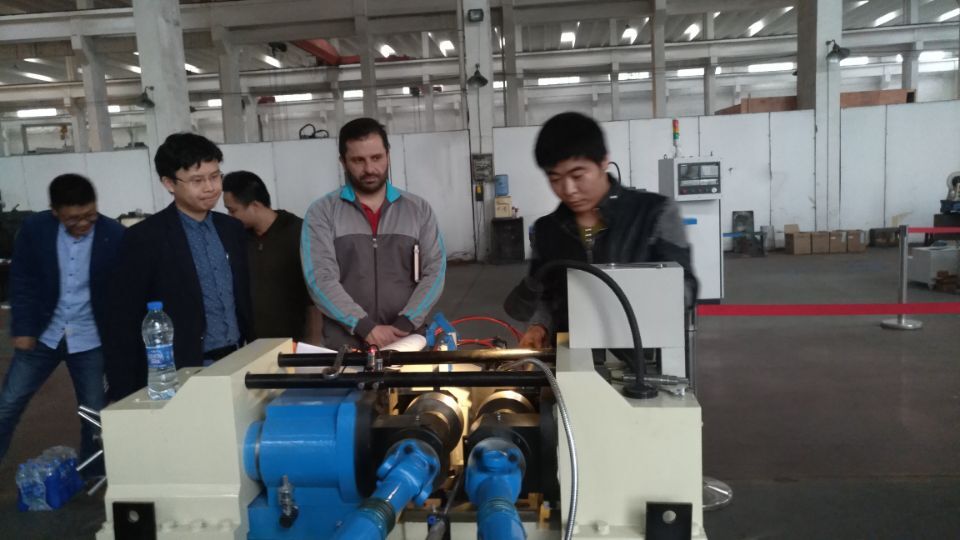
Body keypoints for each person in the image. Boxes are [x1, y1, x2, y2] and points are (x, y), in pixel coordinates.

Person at [507, 112, 697, 349]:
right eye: (555, 178)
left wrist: (643, 297)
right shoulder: (547, 230)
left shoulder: (655, 214)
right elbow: (545, 294)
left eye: (578, 175)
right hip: (572, 356)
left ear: (604, 162)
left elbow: (686, 289)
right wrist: (539, 326)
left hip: (643, 354)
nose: (568, 189)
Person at [104, 132, 252, 401]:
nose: (210, 187)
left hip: (235, 359)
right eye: (197, 180)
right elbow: (123, 319)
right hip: (180, 369)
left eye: (215, 176)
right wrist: (123, 390)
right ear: (169, 183)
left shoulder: (231, 229)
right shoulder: (145, 238)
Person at [1, 174, 124, 470]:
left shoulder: (114, 235)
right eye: (73, 219)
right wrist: (24, 327)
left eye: (90, 215)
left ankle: (92, 473)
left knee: (94, 414)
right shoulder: (35, 230)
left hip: (90, 339)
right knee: (8, 404)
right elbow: (23, 280)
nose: (83, 224)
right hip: (43, 335)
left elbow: (123, 292)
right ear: (55, 211)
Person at [301, 117, 446, 349]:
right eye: (358, 160)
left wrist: (407, 321)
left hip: (406, 340)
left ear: (388, 155)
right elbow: (320, 279)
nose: (369, 169)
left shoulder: (418, 210)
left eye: (376, 158)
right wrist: (363, 326)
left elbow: (435, 271)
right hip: (346, 345)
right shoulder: (322, 213)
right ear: (343, 162)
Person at [222, 170, 321, 343]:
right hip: (254, 346)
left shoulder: (299, 233)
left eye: (233, 210)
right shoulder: (239, 238)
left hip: (296, 343)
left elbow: (315, 297)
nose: (230, 217)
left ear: (254, 205)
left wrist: (312, 342)